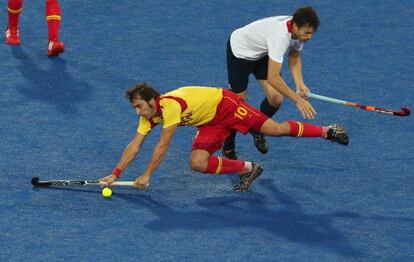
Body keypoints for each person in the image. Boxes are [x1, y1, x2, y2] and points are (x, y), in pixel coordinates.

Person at [99, 82, 349, 192]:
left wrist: (146, 175)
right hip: (210, 121)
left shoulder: (170, 106)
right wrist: (116, 173)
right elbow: (135, 144)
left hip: (226, 105)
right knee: (197, 162)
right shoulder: (148, 116)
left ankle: (328, 130)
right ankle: (249, 168)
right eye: (135, 108)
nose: (137, 112)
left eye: (139, 106)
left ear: (152, 101)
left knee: (275, 129)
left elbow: (164, 144)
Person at [223, 6, 320, 160]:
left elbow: (294, 57)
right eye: (307, 33)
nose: (309, 37)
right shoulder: (280, 36)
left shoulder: (297, 29)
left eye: (312, 33)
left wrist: (299, 84)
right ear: (295, 26)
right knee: (238, 104)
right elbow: (273, 78)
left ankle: (257, 128)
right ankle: (228, 145)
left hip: (261, 53)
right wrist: (297, 99)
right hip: (240, 53)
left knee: (276, 98)